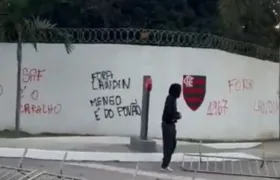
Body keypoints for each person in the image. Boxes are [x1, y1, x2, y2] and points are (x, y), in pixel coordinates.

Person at [161, 83, 182, 172]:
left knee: (173, 144)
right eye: (179, 90)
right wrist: (177, 115)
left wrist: (176, 115)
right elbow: (169, 113)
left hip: (171, 124)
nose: (180, 92)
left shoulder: (173, 99)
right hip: (168, 125)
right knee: (169, 146)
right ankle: (164, 165)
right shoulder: (170, 99)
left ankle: (166, 163)